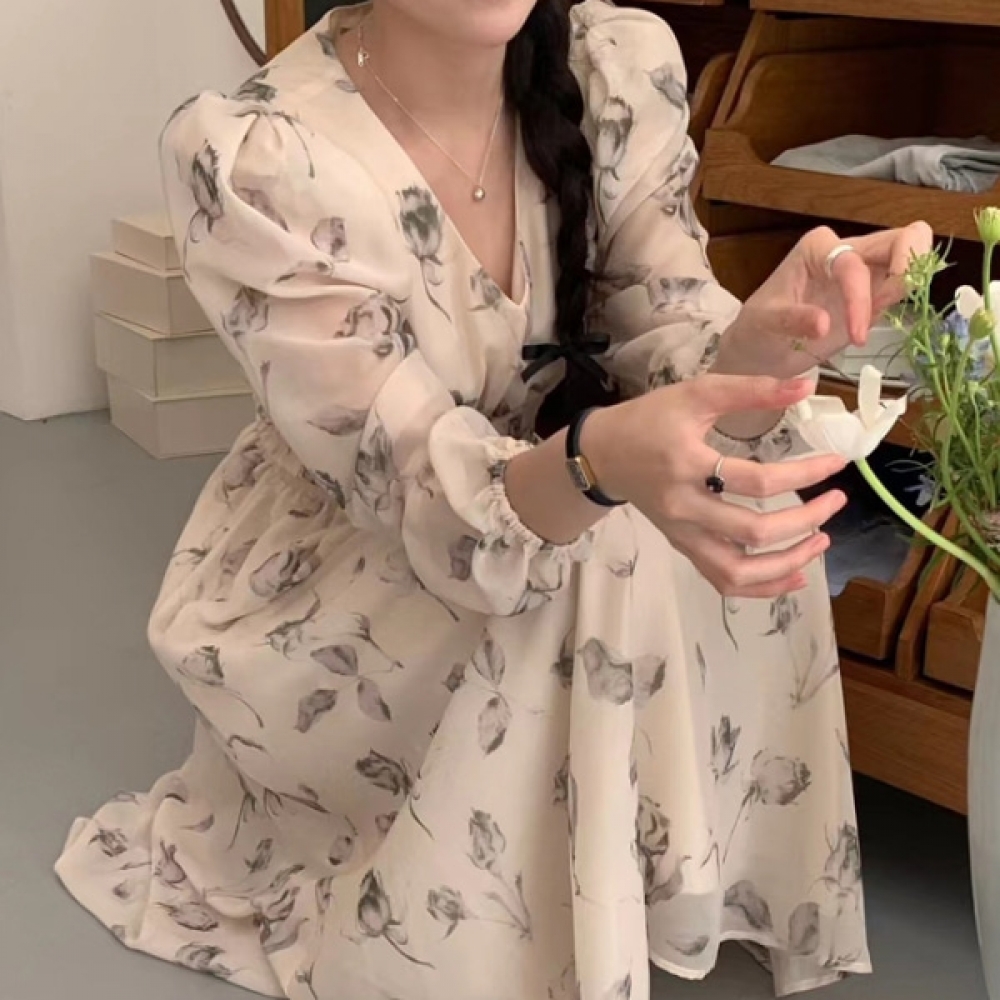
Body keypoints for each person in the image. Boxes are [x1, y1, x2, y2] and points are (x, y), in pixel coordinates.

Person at [56, 2, 931, 997]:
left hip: (527, 487)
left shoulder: (611, 66)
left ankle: (646, 864)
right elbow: (416, 483)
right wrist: (597, 465)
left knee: (735, 490)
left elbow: (665, 329)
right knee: (599, 544)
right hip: (350, 564)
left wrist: (758, 350)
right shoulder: (260, 155)